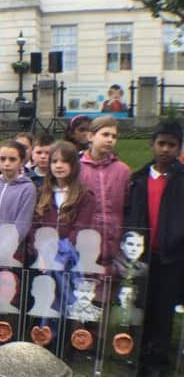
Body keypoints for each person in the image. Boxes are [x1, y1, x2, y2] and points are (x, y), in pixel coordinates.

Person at [125, 120, 184, 377]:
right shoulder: (138, 179)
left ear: (179, 148)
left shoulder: (181, 179)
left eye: (172, 145)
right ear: (152, 145)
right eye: (161, 143)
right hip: (142, 256)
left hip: (171, 257)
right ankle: (135, 357)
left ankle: (156, 364)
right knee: (141, 307)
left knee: (163, 311)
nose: (165, 150)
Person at [79, 116, 131, 274]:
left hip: (113, 244)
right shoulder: (77, 169)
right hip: (84, 245)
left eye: (114, 136)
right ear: (90, 137)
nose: (110, 140)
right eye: (105, 134)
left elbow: (128, 206)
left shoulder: (123, 171)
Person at [0, 140, 36, 265]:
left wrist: (1, 252)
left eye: (12, 159)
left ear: (21, 161)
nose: (7, 163)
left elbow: (22, 226)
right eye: (2, 159)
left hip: (11, 255)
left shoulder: (27, 188)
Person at [33, 141, 95, 245]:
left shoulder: (84, 196)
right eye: (54, 161)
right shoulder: (41, 193)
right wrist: (41, 252)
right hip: (42, 256)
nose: (58, 166)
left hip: (70, 256)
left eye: (64, 161)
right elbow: (34, 227)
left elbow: (79, 230)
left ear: (74, 165)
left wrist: (61, 253)